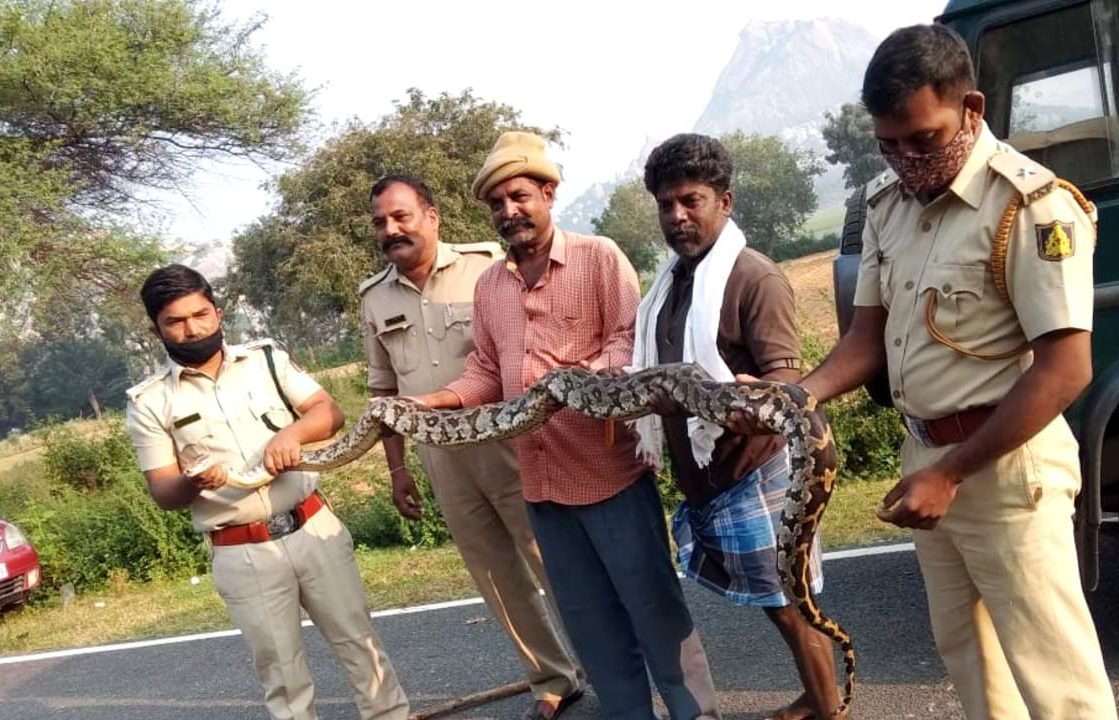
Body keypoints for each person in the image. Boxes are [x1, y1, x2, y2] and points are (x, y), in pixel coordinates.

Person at [795, 25, 1119, 719]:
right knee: (972, 664)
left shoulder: (1029, 206)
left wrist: (950, 472)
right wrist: (793, 396)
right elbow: (865, 341)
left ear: (971, 107)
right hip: (926, 458)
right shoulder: (887, 208)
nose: (907, 161)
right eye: (889, 144)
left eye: (923, 140)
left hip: (1005, 467)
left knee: (1057, 682)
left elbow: (1066, 368)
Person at [407, 131, 720, 719]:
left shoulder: (598, 257)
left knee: (656, 615)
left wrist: (573, 382)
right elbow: (484, 369)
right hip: (542, 490)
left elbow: (630, 340)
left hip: (610, 477)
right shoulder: (491, 285)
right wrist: (437, 401)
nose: (508, 211)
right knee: (593, 630)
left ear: (548, 193)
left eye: (519, 196)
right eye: (497, 203)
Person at [123, 264, 411, 720]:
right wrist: (193, 481)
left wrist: (291, 435)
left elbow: (328, 412)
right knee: (283, 676)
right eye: (175, 321)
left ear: (217, 312)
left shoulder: (266, 359)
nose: (192, 328)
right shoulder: (149, 402)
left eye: (200, 314)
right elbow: (163, 489)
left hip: (313, 526)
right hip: (242, 551)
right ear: (155, 328)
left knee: (360, 644)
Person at [629, 132, 843, 720]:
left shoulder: (754, 279)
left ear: (725, 201)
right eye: (666, 204)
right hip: (711, 477)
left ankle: (831, 711)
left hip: (760, 471)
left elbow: (785, 386)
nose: (677, 216)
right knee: (782, 605)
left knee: (791, 605)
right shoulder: (672, 285)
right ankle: (819, 695)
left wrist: (729, 403)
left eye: (690, 200)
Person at [358, 173, 585, 720]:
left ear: (431, 216)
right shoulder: (373, 297)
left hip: (510, 442)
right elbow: (382, 390)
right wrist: (398, 470)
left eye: (401, 216)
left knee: (552, 560)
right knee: (496, 577)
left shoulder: (488, 265)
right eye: (381, 223)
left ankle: (610, 668)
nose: (391, 230)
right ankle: (553, 679)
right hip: (443, 460)